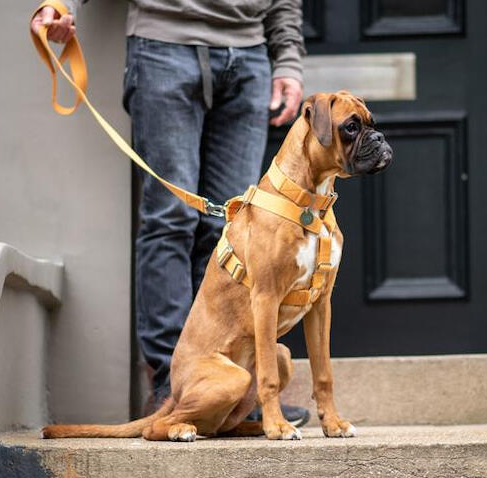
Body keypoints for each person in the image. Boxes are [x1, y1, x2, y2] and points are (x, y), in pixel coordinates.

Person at [31, 0, 309, 427]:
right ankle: (172, 387)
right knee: (170, 220)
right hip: (164, 46)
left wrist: (287, 60)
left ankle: (236, 392)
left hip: (250, 54)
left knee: (233, 232)